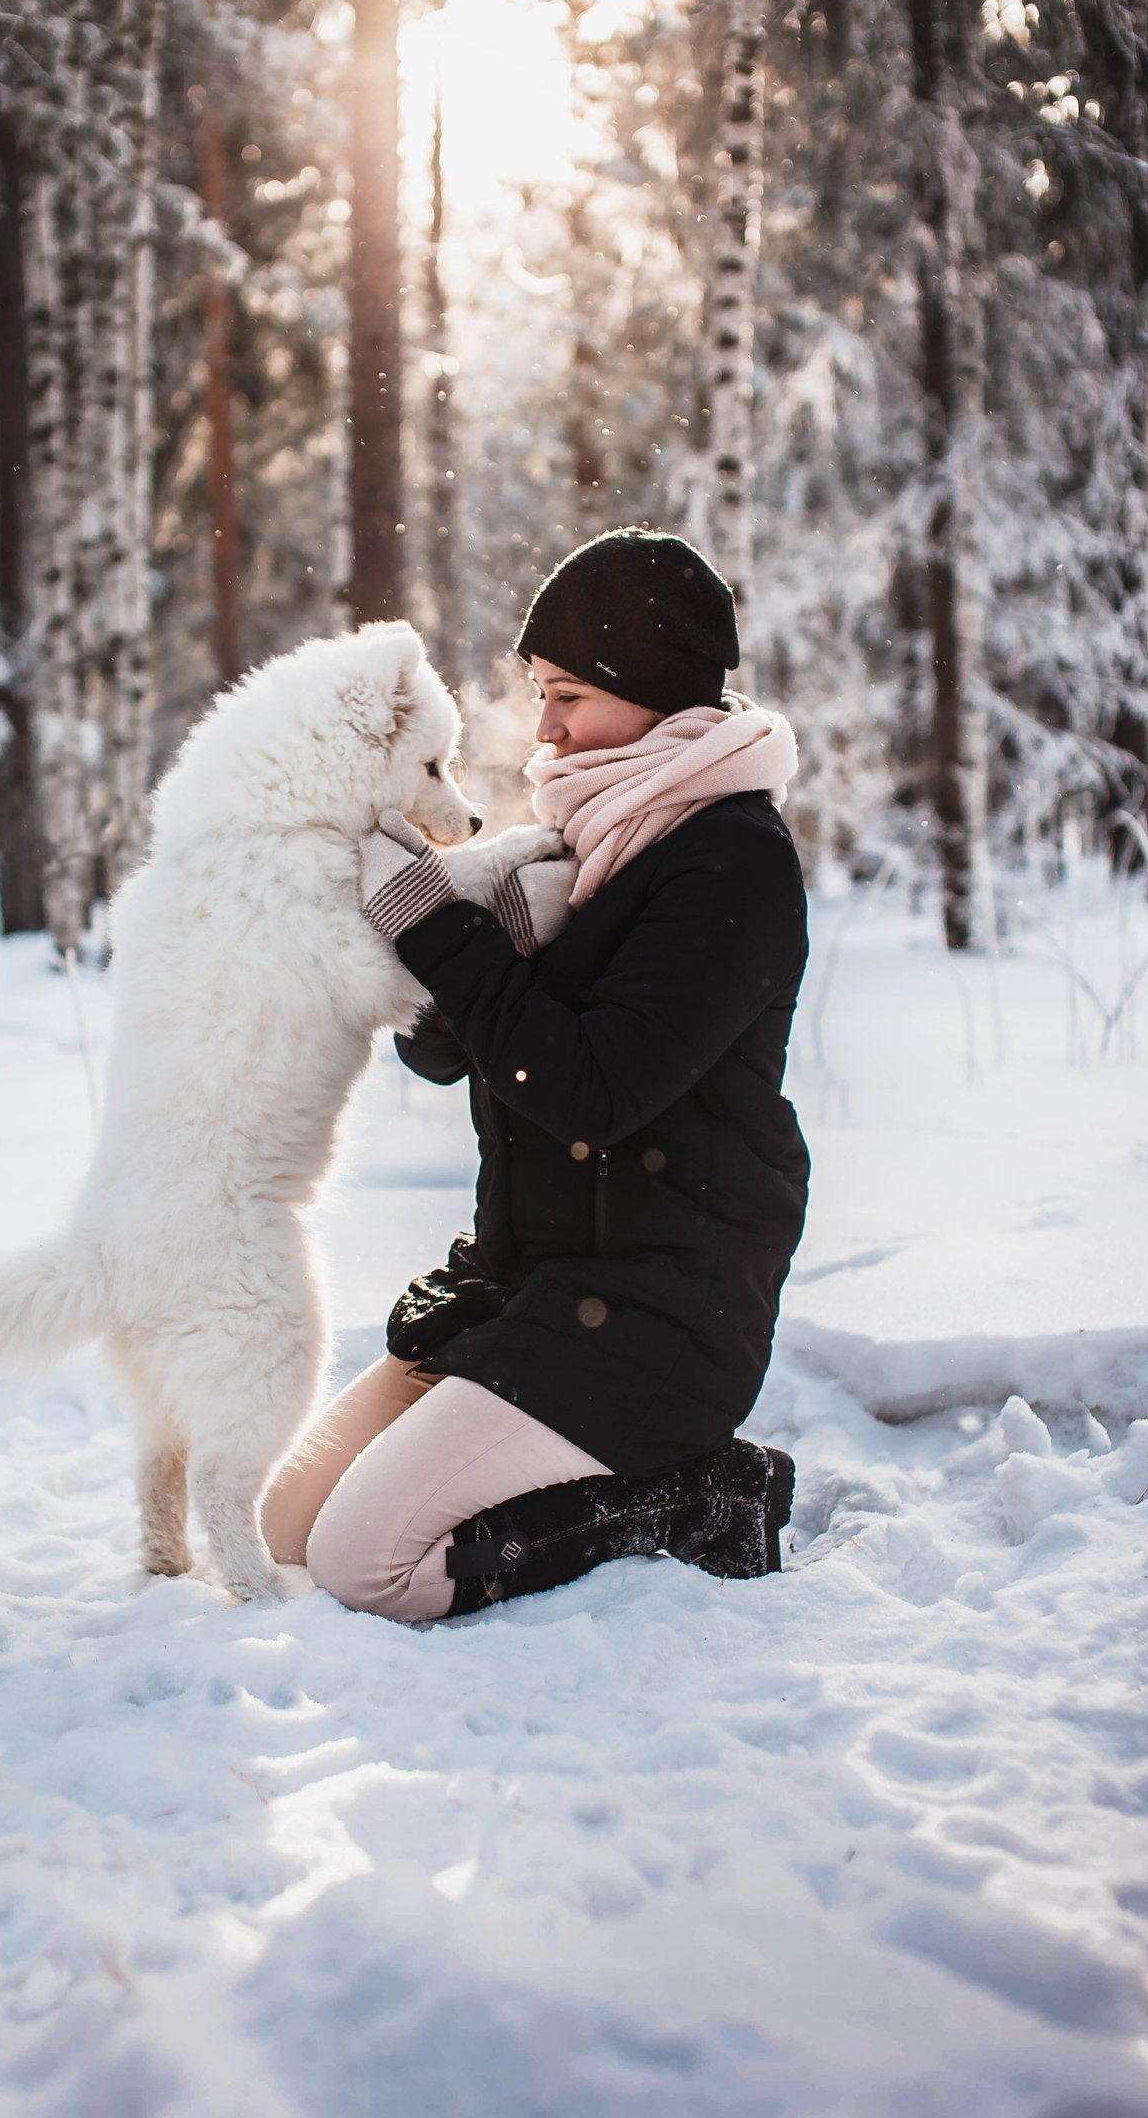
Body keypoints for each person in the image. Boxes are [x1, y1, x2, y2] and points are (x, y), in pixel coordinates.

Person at [260, 529, 809, 1621]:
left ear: (649, 687)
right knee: (288, 1525)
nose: (545, 728)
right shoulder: (583, 831)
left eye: (567, 696)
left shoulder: (729, 861)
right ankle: (544, 1452)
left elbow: (590, 1091)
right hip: (529, 1283)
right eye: (538, 694)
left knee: (370, 1567)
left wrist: (442, 938)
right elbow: (448, 1053)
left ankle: (693, 1497)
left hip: (658, 1309)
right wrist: (460, 940)